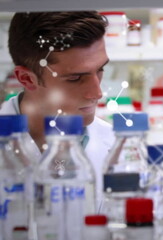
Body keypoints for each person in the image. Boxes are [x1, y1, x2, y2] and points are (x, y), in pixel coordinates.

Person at [0, 11, 114, 204]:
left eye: (100, 69)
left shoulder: (119, 146)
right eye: (75, 78)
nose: (97, 93)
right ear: (27, 79)